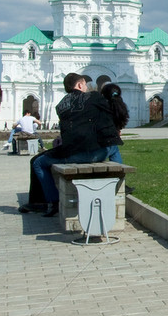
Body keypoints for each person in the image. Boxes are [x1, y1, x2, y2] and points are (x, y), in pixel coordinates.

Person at [19, 74, 118, 216]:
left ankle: (53, 202)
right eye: (85, 85)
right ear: (79, 85)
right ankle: (120, 183)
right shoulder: (94, 98)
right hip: (95, 152)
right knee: (113, 146)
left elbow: (72, 128)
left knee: (38, 163)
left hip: (73, 152)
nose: (86, 88)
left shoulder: (61, 106)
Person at [95, 75, 130, 162]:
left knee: (113, 148)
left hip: (95, 145)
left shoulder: (100, 107)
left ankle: (118, 172)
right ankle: (119, 172)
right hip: (108, 143)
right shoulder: (120, 108)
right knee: (114, 148)